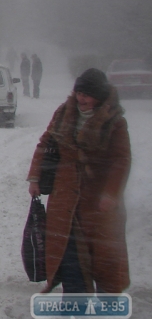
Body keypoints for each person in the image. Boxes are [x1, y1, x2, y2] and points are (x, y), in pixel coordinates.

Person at [26, 68, 131, 294]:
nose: (81, 98)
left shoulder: (115, 122)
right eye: (78, 93)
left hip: (98, 200)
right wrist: (35, 177)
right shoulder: (64, 113)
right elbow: (45, 143)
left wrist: (110, 194)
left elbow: (121, 161)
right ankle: (75, 299)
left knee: (103, 253)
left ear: (99, 96)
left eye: (87, 94)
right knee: (68, 250)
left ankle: (107, 297)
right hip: (64, 195)